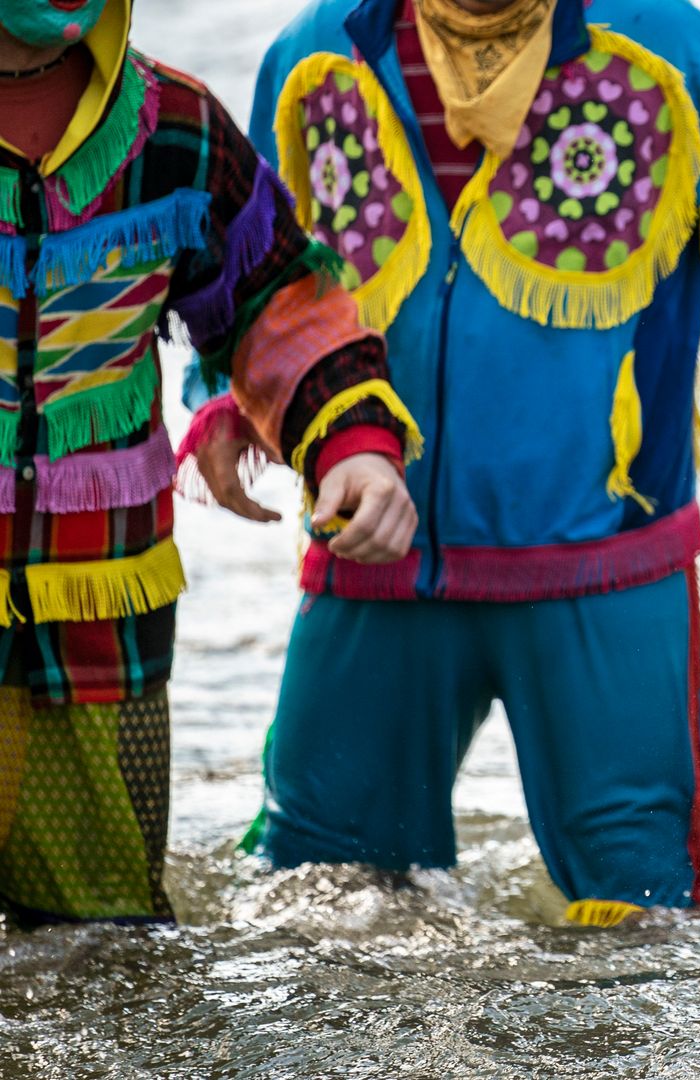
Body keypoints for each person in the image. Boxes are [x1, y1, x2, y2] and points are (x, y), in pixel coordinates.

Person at [240, 0, 700, 924]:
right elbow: (248, 264)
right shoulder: (316, 53)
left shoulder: (672, 47)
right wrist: (222, 402)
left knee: (644, 914)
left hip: (606, 568)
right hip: (371, 558)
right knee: (316, 900)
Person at [0, 0, 416, 926]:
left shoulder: (174, 130)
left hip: (101, 629)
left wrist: (353, 449)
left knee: (101, 958)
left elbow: (278, 299)